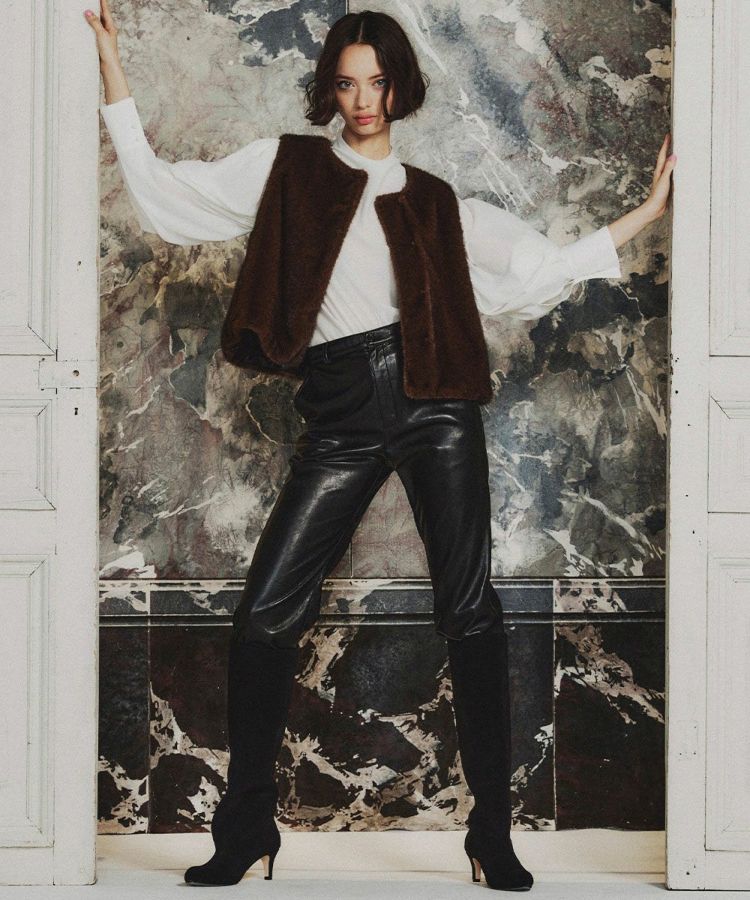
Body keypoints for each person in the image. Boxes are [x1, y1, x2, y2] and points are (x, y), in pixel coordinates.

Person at [86, 3, 675, 891]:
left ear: (400, 88)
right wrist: (111, 65)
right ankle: (247, 830)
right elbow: (169, 196)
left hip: (436, 403)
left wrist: (648, 212)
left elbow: (534, 270)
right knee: (264, 614)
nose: (363, 99)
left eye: (378, 82)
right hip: (340, 414)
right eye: (347, 82)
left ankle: (491, 835)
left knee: (470, 611)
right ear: (331, 89)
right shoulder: (287, 168)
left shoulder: (434, 200)